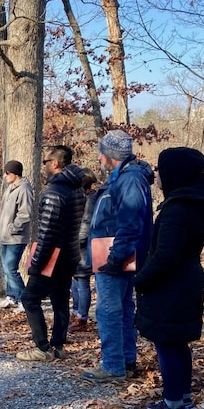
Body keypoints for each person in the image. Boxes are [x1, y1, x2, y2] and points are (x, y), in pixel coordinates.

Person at [134, 148, 204, 409]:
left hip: (172, 284)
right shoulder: (195, 202)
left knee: (167, 342)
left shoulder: (178, 208)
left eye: (160, 169)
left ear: (174, 172)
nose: (156, 174)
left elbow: (166, 255)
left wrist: (141, 279)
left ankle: (173, 406)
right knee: (177, 341)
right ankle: (182, 400)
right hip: (186, 279)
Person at [82, 130, 154, 382]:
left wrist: (115, 257)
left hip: (116, 257)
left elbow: (130, 223)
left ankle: (113, 365)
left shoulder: (130, 180)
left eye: (102, 154)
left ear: (111, 155)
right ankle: (126, 360)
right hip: (114, 254)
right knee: (122, 308)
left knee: (109, 311)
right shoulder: (122, 177)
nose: (99, 159)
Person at [16, 146, 85, 361]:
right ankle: (58, 346)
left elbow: (47, 235)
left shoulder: (54, 193)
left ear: (55, 164)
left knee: (29, 298)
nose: (43, 165)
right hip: (70, 255)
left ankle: (42, 348)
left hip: (53, 259)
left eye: (46, 161)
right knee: (60, 300)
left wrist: (36, 263)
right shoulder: (77, 189)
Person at [0, 160, 34, 313]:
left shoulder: (24, 189)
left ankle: (25, 300)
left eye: (7, 173)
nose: (4, 176)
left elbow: (25, 213)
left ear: (15, 173)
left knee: (11, 269)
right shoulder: (10, 188)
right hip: (4, 236)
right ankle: (12, 297)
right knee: (6, 268)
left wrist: (12, 228)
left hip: (16, 237)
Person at [69, 168, 99, 333]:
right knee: (75, 281)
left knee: (82, 281)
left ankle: (82, 317)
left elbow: (86, 224)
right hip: (75, 247)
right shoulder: (82, 198)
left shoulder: (90, 200)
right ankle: (75, 312)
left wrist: (75, 241)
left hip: (83, 248)